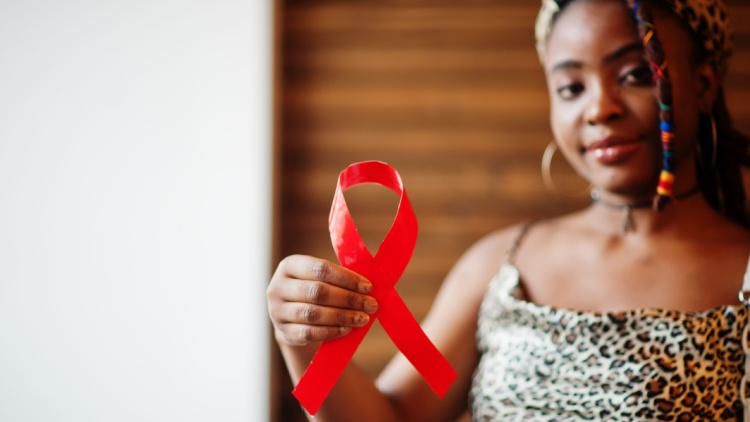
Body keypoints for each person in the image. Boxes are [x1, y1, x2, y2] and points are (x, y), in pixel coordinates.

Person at [266, 0, 750, 419]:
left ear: (704, 84)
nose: (600, 108)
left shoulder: (741, 270)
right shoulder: (501, 263)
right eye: (571, 88)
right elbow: (391, 418)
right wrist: (304, 341)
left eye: (636, 75)